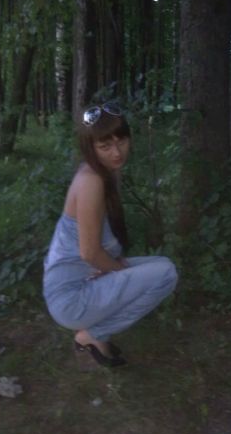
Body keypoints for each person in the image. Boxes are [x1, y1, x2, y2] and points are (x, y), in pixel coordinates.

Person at [43, 103, 178, 368]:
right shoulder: (91, 181)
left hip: (81, 280)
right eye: (105, 146)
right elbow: (90, 253)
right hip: (70, 298)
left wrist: (111, 270)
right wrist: (117, 271)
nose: (117, 153)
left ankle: (93, 330)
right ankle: (93, 335)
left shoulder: (104, 173)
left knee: (160, 265)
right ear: (90, 147)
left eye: (122, 141)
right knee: (166, 274)